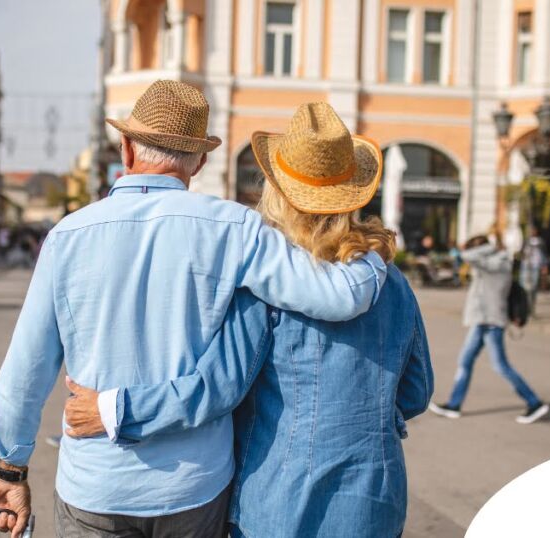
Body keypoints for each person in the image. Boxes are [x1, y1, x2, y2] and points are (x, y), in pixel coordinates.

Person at [0, 82, 387, 538]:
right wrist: (372, 251)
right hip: (193, 487)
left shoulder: (67, 236)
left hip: (96, 486)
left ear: (126, 149)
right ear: (200, 162)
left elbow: (24, 371)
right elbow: (339, 297)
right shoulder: (235, 229)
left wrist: (10, 470)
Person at [63, 102, 433, 537]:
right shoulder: (391, 283)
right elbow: (415, 392)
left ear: (277, 189)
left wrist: (115, 409)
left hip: (280, 497)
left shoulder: (269, 285)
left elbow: (215, 389)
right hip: (374, 500)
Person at [429, 233, 549, 424]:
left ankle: (534, 403)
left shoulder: (497, 264)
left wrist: (485, 248)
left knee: (500, 366)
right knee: (465, 361)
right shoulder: (489, 263)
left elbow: (467, 256)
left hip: (491, 322)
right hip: (482, 321)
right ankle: (454, 405)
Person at [520, 227, 547, 316]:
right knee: (524, 288)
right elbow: (521, 253)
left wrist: (544, 266)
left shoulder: (541, 242)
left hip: (536, 266)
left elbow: (544, 254)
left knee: (534, 287)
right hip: (526, 266)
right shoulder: (525, 241)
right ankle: (525, 307)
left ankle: (532, 308)